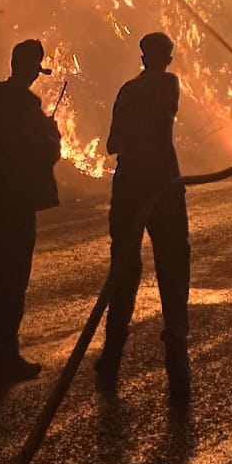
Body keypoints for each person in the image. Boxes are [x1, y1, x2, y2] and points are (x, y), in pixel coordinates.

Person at [94, 31, 191, 406]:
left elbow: (113, 144)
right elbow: (165, 116)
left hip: (129, 186)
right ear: (166, 58)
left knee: (123, 270)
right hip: (163, 185)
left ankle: (111, 357)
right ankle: (177, 354)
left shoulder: (126, 91)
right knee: (173, 264)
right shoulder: (168, 83)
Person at [0, 38, 61, 382]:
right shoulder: (27, 105)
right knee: (15, 273)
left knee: (0, 263)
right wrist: (51, 131)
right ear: (34, 70)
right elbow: (46, 154)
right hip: (16, 201)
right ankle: (6, 355)